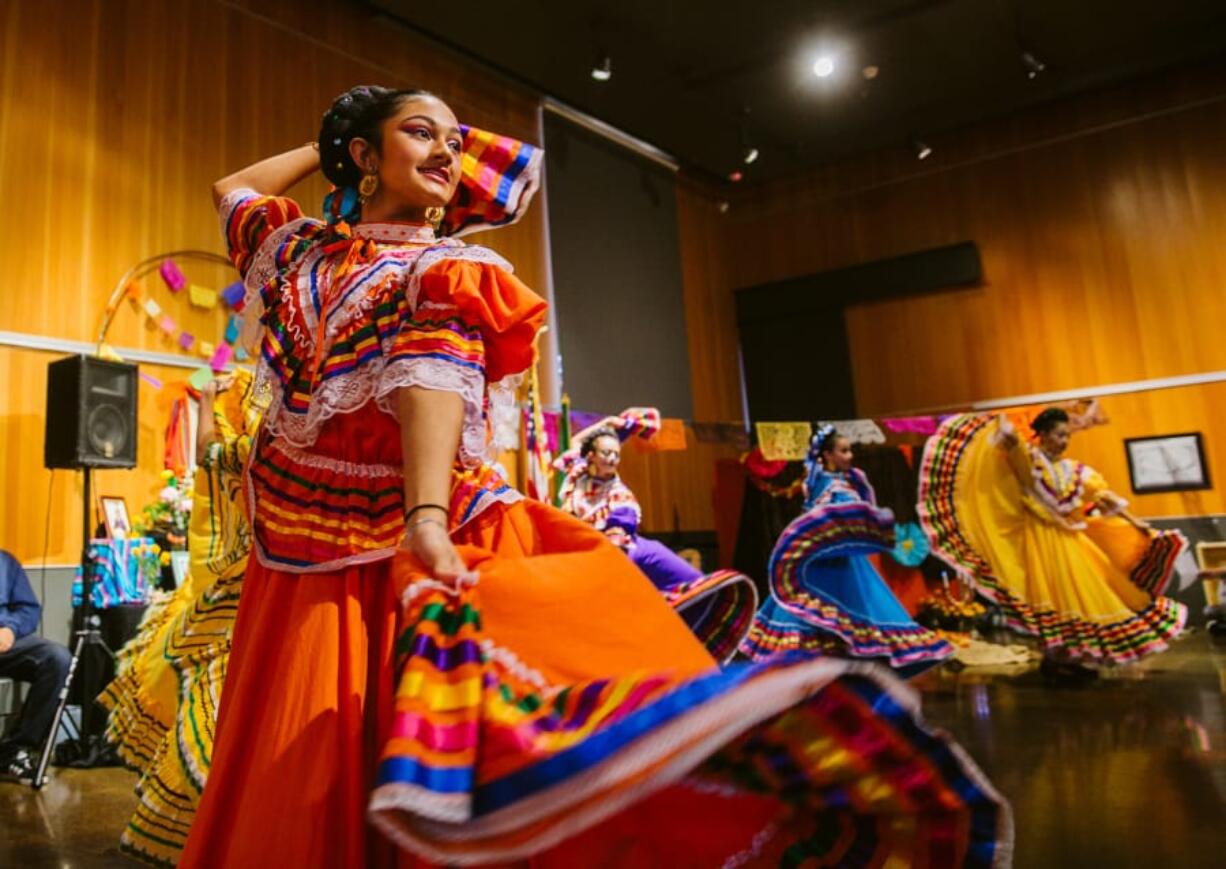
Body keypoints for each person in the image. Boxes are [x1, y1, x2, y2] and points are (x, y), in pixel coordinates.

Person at [181, 86, 1010, 867]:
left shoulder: (442, 271)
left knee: (457, 733)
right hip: (304, 552)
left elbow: (425, 384)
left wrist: (428, 516)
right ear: (365, 155)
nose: (449, 151)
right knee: (327, 753)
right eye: (422, 133)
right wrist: (341, 136)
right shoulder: (300, 250)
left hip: (400, 533)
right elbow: (234, 187)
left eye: (457, 141)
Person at [98, 370, 259, 863]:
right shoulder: (255, 389)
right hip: (256, 578)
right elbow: (215, 462)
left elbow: (214, 458)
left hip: (268, 576)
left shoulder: (261, 393)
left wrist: (211, 402)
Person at [919, 408, 1187, 678]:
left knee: (1083, 597)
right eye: (1059, 435)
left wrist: (1134, 520)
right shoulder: (1029, 459)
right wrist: (997, 419)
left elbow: (1103, 496)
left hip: (1069, 540)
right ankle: (1056, 658)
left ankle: (1069, 658)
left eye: (1067, 436)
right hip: (1038, 540)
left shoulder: (1073, 470)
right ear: (1044, 434)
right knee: (1052, 599)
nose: (1064, 441)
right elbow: (1009, 446)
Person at [739, 426, 954, 677]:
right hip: (829, 564)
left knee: (833, 614)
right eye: (844, 451)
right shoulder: (832, 485)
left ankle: (827, 671)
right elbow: (831, 520)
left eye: (849, 450)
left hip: (832, 561)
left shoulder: (825, 481)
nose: (850, 456)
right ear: (828, 455)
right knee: (840, 611)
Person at [557, 422, 759, 661]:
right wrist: (616, 424)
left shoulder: (619, 494)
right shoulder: (577, 474)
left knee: (696, 588)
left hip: (627, 553)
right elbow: (576, 443)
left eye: (616, 454)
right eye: (606, 453)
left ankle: (692, 647)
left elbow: (616, 541)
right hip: (594, 555)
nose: (612, 459)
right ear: (591, 456)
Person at [0, 550, 71, 784]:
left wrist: (11, 629)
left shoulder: (5, 561)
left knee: (57, 658)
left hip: (5, 643)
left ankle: (16, 749)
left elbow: (28, 608)